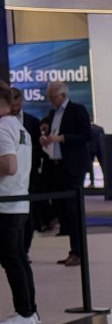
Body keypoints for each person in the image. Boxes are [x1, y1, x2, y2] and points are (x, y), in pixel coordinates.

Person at [40, 80, 92, 267]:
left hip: (73, 168)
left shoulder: (77, 110)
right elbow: (54, 133)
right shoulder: (53, 113)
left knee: (73, 212)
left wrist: (62, 138)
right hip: (57, 167)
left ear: (61, 95)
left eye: (52, 96)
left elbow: (87, 135)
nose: (50, 100)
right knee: (62, 210)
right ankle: (73, 251)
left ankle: (79, 252)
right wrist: (47, 139)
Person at [0, 86, 37, 324]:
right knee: (18, 258)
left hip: (6, 203)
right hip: (19, 201)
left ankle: (25, 312)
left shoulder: (2, 127)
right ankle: (29, 312)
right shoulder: (19, 127)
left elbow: (8, 165)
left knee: (12, 259)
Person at [10, 88, 44, 258]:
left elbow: (38, 149)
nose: (15, 107)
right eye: (12, 104)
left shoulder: (32, 121)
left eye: (18, 104)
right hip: (10, 179)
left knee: (28, 214)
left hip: (29, 176)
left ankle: (24, 249)